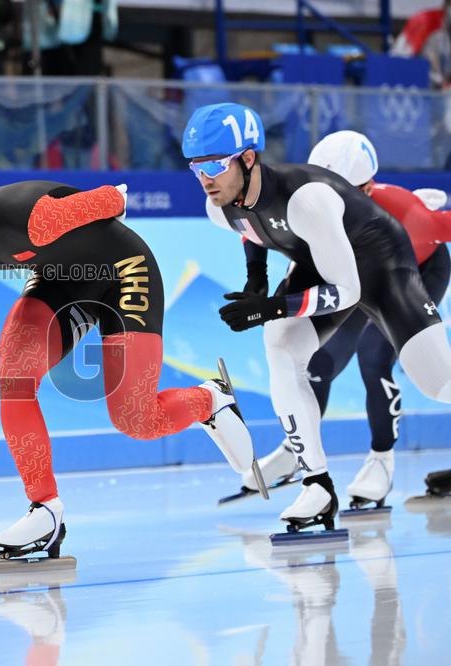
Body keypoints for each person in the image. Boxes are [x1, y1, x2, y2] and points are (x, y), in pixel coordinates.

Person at [0, 155, 257, 562]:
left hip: (124, 272)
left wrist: (81, 212)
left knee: (136, 419)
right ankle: (45, 510)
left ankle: (209, 400)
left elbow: (114, 199)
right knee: (14, 375)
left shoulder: (30, 221)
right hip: (61, 279)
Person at [182, 103, 451, 534]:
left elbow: (349, 292)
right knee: (281, 345)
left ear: (248, 158)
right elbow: (248, 228)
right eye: (196, 167)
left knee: (438, 384)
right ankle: (317, 484)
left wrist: (270, 306)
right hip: (322, 262)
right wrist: (256, 279)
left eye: (214, 165)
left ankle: (377, 458)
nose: (205, 179)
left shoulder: (307, 199)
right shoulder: (220, 204)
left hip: (382, 269)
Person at [239, 131, 451, 511]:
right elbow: (254, 222)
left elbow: (443, 224)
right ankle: (297, 451)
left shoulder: (410, 216)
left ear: (367, 190)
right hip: (349, 281)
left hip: (407, 274)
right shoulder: (306, 204)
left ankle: (381, 460)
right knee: (315, 361)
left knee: (374, 356)